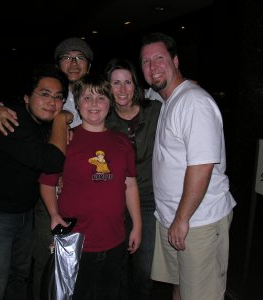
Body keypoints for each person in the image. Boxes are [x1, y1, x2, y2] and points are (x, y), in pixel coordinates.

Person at [0, 37, 94, 300]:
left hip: (38, 202)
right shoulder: (45, 106)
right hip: (26, 203)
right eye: (68, 57)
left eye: (80, 58)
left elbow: (130, 93)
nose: (74, 63)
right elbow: (48, 157)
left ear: (90, 66)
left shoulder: (97, 95)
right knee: (25, 272)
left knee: (26, 273)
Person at [139, 32, 236, 300]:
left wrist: (182, 218)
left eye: (159, 58)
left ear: (176, 60)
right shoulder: (169, 99)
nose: (153, 66)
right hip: (173, 219)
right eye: (146, 62)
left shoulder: (194, 102)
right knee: (180, 287)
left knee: (201, 295)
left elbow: (202, 166)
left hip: (197, 222)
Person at [0, 64, 73, 300]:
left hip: (24, 211)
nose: (52, 102)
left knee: (18, 277)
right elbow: (52, 161)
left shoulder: (41, 124)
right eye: (44, 94)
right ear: (27, 97)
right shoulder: (12, 121)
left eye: (58, 98)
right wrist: (62, 120)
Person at [40, 73, 142, 300]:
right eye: (87, 98)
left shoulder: (122, 142)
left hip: (114, 240)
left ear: (110, 103)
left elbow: (131, 184)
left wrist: (137, 224)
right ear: (77, 104)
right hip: (75, 243)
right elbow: (47, 183)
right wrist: (54, 214)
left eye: (101, 98)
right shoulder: (66, 139)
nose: (94, 104)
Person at [104, 58, 161, 300]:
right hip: (114, 200)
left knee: (145, 267)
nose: (123, 89)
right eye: (116, 83)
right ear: (107, 87)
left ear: (136, 85)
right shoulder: (103, 120)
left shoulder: (156, 111)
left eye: (128, 82)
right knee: (114, 263)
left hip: (148, 197)